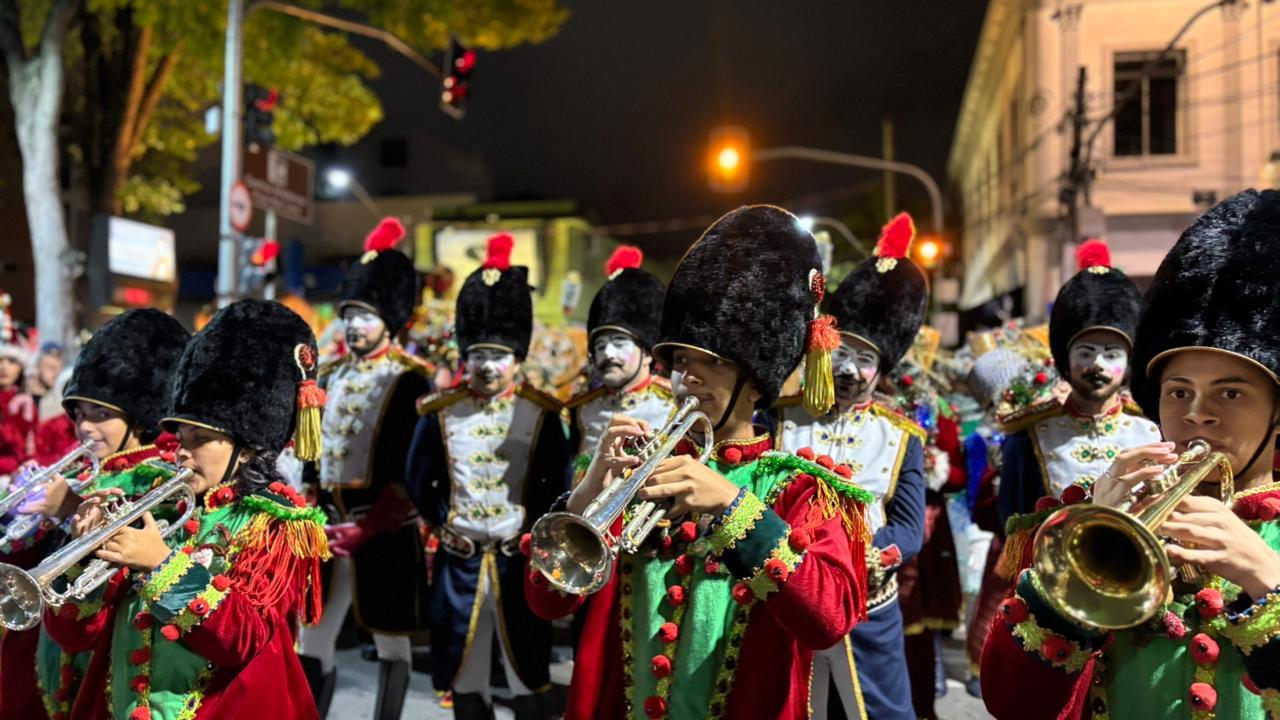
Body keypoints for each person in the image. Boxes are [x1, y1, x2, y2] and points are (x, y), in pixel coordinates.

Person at [525, 204, 874, 720]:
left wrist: (734, 506)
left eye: (709, 362)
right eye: (680, 362)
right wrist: (592, 486)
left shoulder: (805, 488)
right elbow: (549, 603)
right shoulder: (644, 472)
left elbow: (829, 619)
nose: (686, 377)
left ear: (755, 381)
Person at [982, 188, 1280, 719]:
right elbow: (1013, 703)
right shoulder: (1108, 508)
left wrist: (1267, 581)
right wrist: (1083, 555)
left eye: (1230, 393)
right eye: (1178, 391)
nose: (1197, 414)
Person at [43, 299, 330, 720]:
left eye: (200, 438)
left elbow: (241, 639)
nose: (181, 452)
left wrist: (162, 565)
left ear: (247, 448)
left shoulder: (276, 522)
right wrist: (84, 552)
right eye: (180, 435)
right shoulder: (156, 504)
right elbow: (71, 636)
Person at [406, 233, 571, 720]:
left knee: (526, 677)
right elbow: (419, 478)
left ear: (517, 359)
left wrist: (534, 536)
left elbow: (555, 483)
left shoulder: (541, 415)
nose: (486, 366)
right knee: (465, 677)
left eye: (498, 355)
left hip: (517, 563)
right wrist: (441, 526)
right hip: (458, 567)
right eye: (477, 354)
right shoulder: (439, 413)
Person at [771, 212, 928, 720]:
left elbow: (909, 526)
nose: (849, 369)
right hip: (786, 594)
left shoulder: (902, 436)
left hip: (868, 600)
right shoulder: (778, 418)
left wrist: (880, 554)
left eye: (866, 360)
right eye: (844, 352)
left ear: (882, 371)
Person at [297, 217, 434, 719]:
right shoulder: (326, 376)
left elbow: (411, 470)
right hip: (326, 531)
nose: (354, 324)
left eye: (366, 314)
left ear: (391, 320)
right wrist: (311, 515)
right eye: (350, 312)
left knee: (391, 640)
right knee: (313, 635)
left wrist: (369, 526)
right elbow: (309, 458)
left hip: (384, 529)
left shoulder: (411, 380)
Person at [998, 239, 1161, 525]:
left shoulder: (1154, 428)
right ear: (1065, 359)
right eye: (1086, 353)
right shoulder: (1027, 437)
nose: (1097, 365)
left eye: (1111, 355)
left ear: (1128, 363)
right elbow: (1013, 525)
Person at [566, 245, 674, 479]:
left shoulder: (674, 401)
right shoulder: (580, 408)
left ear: (647, 353)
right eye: (600, 345)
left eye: (619, 342)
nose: (608, 354)